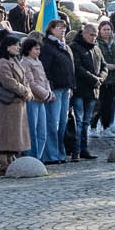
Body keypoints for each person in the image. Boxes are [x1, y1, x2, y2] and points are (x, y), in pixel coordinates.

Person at [0, 33, 33, 171]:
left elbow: (24, 78)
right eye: (15, 45)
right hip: (9, 102)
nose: (18, 48)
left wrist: (27, 90)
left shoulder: (15, 61)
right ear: (7, 47)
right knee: (7, 131)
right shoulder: (2, 62)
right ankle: (4, 160)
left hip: (19, 102)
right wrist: (24, 91)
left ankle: (12, 156)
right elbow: (9, 82)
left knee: (17, 132)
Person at [38, 19, 75, 165]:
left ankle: (60, 153)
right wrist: (50, 88)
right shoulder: (47, 46)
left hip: (65, 88)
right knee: (53, 123)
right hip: (55, 89)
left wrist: (71, 85)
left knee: (62, 124)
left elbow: (69, 67)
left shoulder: (63, 46)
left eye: (64, 27)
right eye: (59, 27)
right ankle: (51, 155)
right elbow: (46, 69)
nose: (63, 30)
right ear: (51, 29)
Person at [69, 24, 104, 160]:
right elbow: (78, 68)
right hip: (80, 90)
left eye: (95, 35)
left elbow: (104, 66)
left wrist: (101, 77)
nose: (93, 38)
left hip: (92, 91)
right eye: (91, 35)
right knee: (79, 120)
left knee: (86, 121)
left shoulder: (96, 48)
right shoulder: (75, 47)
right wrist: (94, 79)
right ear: (84, 34)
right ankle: (76, 151)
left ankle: (84, 148)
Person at [20, 36, 55, 162]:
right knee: (32, 131)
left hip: (42, 100)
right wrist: (45, 94)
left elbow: (44, 79)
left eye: (39, 49)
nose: (38, 52)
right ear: (28, 50)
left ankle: (38, 158)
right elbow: (31, 83)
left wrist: (49, 92)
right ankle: (31, 158)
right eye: (36, 49)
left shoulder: (38, 61)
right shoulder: (25, 62)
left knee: (42, 132)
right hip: (33, 100)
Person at [93, 19, 115, 134]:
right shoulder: (96, 43)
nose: (107, 32)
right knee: (99, 103)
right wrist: (106, 65)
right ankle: (94, 126)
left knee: (110, 103)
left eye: (108, 29)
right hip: (102, 76)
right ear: (100, 31)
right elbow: (96, 58)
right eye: (104, 29)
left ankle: (109, 124)